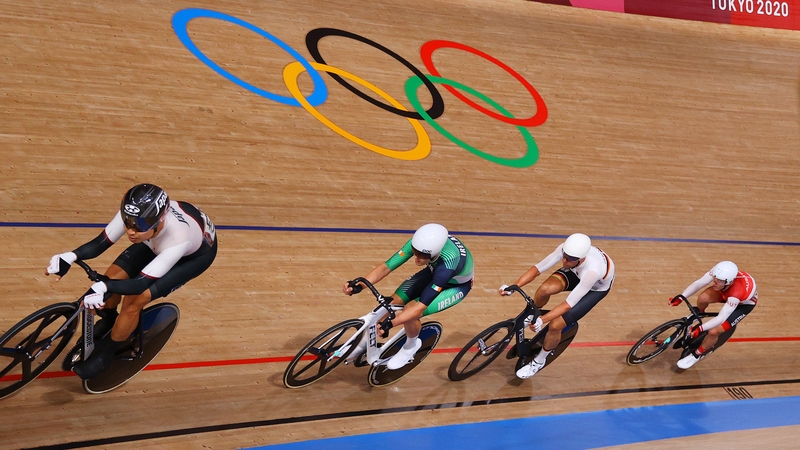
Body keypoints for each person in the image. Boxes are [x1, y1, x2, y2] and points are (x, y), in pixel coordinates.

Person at [46, 183, 218, 379]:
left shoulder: (179, 238)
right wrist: (70, 256)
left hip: (192, 256)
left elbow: (140, 284)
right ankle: (110, 319)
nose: (131, 231)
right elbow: (99, 243)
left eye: (139, 226)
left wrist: (103, 287)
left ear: (158, 221)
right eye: (127, 223)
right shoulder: (136, 216)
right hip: (154, 240)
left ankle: (106, 354)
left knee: (134, 300)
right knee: (112, 276)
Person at [343, 223, 474, 370]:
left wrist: (391, 323)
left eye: (422, 255)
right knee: (393, 302)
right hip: (432, 271)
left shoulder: (447, 264)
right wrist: (361, 285)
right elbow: (386, 267)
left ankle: (411, 346)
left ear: (435, 253)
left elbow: (419, 308)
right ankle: (364, 343)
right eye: (414, 252)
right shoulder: (421, 243)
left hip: (454, 286)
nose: (416, 258)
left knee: (410, 310)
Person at [499, 233, 614, 379]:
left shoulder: (592, 271)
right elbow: (537, 269)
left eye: (570, 259)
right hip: (576, 272)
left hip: (594, 288)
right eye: (564, 256)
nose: (564, 261)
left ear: (582, 258)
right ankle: (530, 315)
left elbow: (568, 304)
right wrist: (514, 286)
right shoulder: (568, 253)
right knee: (544, 290)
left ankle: (539, 361)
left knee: (555, 325)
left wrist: (543, 320)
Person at [669, 261, 757, 369]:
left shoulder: (736, 293)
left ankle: (696, 355)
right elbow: (699, 283)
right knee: (703, 298)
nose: (714, 281)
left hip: (742, 305)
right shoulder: (720, 272)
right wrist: (681, 297)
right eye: (715, 278)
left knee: (713, 331)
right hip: (725, 291)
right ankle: (699, 315)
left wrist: (700, 329)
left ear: (729, 282)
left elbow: (721, 318)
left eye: (719, 280)